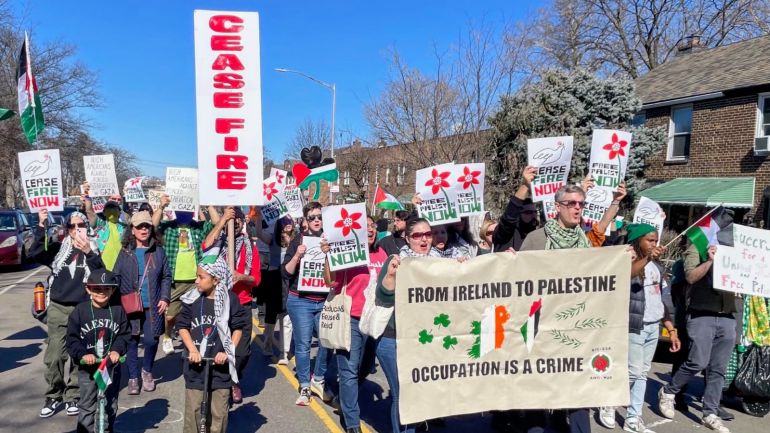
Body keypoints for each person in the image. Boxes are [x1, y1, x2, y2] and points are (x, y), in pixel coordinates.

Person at [519, 184, 594, 432]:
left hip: (574, 328)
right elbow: (519, 283)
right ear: (557, 207)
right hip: (541, 328)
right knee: (537, 393)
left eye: (581, 204)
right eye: (571, 203)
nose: (577, 208)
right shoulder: (536, 239)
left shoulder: (585, 242)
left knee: (577, 393)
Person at [597, 224, 681, 433]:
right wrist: (648, 258)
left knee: (642, 372)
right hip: (635, 325)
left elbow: (661, 300)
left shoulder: (657, 267)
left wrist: (670, 329)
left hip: (653, 326)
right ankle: (608, 402)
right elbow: (627, 274)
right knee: (633, 371)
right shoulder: (628, 258)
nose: (654, 244)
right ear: (637, 241)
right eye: (649, 240)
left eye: (655, 240)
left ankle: (634, 418)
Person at [658, 229, 737, 432]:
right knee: (697, 361)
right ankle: (669, 391)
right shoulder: (698, 246)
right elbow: (691, 277)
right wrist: (710, 261)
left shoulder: (736, 252)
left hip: (727, 316)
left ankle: (710, 412)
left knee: (718, 369)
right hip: (702, 313)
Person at [31, 209, 105, 418]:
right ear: (67, 229)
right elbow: (36, 253)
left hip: (82, 308)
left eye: (80, 225)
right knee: (54, 355)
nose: (76, 229)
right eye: (72, 226)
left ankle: (73, 394)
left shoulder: (93, 248)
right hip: (58, 307)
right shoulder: (58, 249)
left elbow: (100, 274)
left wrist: (89, 252)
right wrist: (41, 225)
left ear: (86, 227)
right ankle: (54, 394)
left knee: (76, 355)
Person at [321, 216, 388, 433]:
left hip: (376, 321)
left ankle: (343, 398)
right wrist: (329, 256)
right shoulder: (348, 255)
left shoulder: (382, 253)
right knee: (348, 370)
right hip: (351, 318)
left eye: (372, 226)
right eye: (365, 226)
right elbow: (330, 281)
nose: (370, 230)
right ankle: (351, 421)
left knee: (366, 366)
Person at [177, 254, 248, 433]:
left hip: (220, 368)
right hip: (195, 366)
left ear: (215, 280)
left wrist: (228, 351)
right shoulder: (192, 299)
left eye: (201, 277)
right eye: (197, 276)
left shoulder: (230, 300)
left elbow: (238, 328)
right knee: (194, 412)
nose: (196, 281)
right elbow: (183, 327)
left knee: (219, 413)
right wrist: (192, 350)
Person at [202, 206, 261, 404]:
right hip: (217, 302)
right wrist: (222, 221)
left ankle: (233, 379)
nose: (233, 223)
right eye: (230, 219)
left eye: (236, 220)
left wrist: (241, 276)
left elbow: (256, 279)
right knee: (216, 348)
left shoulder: (249, 247)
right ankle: (222, 383)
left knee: (242, 351)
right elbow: (205, 246)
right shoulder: (218, 242)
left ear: (242, 223)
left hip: (242, 304)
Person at [113, 211, 171, 395]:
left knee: (151, 340)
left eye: (147, 226)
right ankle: (132, 377)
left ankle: (146, 370)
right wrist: (114, 301)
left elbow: (166, 276)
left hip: (153, 305)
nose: (144, 230)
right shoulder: (125, 252)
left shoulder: (158, 251)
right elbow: (116, 276)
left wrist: (165, 297)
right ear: (132, 230)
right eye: (139, 227)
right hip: (129, 305)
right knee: (131, 341)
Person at [66, 269, 129, 433]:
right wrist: (82, 354)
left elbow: (124, 335)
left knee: (109, 404)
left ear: (112, 290)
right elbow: (72, 339)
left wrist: (116, 350)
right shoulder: (80, 311)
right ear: (88, 289)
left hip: (109, 367)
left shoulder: (118, 311)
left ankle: (107, 430)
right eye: (97, 289)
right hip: (88, 369)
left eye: (106, 289)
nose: (102, 292)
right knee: (87, 405)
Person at [282, 201, 332, 405]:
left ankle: (318, 378)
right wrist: (297, 255)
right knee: (303, 345)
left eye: (320, 217)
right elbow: (286, 272)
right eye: (312, 217)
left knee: (327, 341)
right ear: (305, 220)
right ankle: (304, 385)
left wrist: (330, 254)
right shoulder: (298, 240)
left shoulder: (330, 239)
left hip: (324, 300)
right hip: (300, 300)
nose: (316, 220)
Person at [153, 195, 217, 356]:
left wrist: (209, 204)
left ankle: (190, 344)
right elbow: (153, 225)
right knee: (170, 316)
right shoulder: (168, 227)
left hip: (195, 280)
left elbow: (217, 223)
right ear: (175, 210)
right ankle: (168, 336)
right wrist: (161, 206)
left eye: (188, 210)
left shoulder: (199, 227)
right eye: (181, 210)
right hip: (174, 280)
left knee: (194, 315)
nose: (184, 213)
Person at [249, 209, 285, 358]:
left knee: (279, 312)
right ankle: (268, 340)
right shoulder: (272, 235)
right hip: (270, 270)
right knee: (268, 305)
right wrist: (258, 215)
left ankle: (275, 345)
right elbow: (258, 232)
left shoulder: (296, 239)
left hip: (284, 275)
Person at [492, 166, 539, 251]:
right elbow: (510, 215)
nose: (533, 215)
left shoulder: (537, 235)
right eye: (528, 212)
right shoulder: (505, 233)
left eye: (534, 212)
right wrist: (525, 185)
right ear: (518, 214)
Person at [83, 186, 127, 272]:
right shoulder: (100, 224)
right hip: (102, 268)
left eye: (114, 208)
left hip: (121, 268)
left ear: (119, 212)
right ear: (104, 212)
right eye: (109, 208)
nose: (112, 210)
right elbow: (89, 211)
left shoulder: (125, 227)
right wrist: (87, 197)